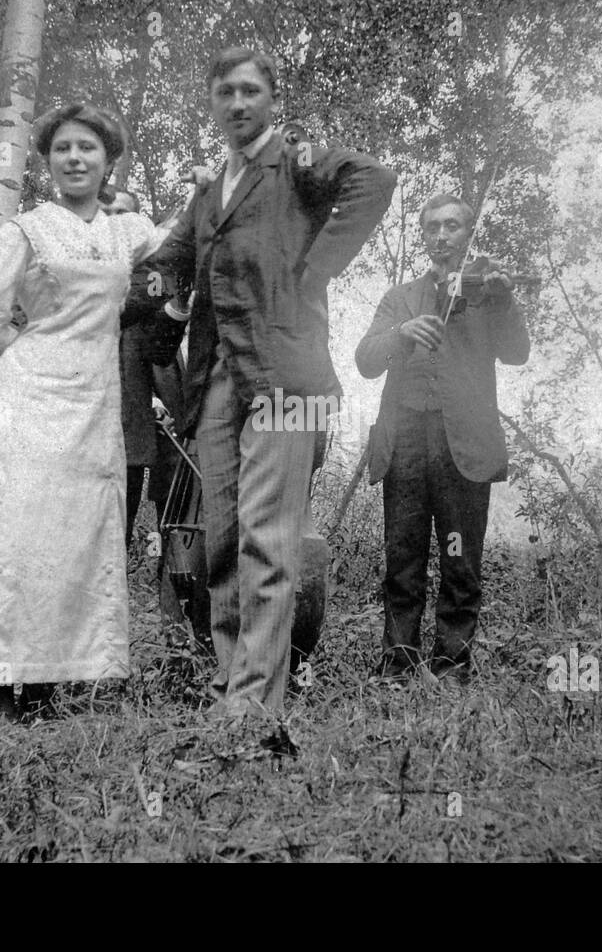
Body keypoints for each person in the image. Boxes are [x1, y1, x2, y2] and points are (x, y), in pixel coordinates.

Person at [145, 47, 396, 721]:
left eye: (250, 89)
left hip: (286, 376)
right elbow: (166, 266)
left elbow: (374, 178)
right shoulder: (206, 192)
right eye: (224, 90)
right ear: (212, 101)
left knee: (268, 536)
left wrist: (314, 270)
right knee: (221, 537)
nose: (237, 102)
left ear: (273, 98)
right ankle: (234, 687)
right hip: (216, 383)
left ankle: (256, 705)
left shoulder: (298, 162)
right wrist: (121, 272)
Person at [0, 104, 169, 719]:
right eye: (63, 149)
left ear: (109, 160)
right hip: (26, 403)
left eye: (88, 148)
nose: (75, 158)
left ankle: (47, 684)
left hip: (94, 405)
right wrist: (34, 365)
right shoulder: (24, 231)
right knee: (16, 537)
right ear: (47, 161)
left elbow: (183, 250)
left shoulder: (126, 230)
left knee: (71, 539)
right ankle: (0, 688)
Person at [354, 192, 529, 685]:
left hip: (463, 448)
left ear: (467, 233)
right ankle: (398, 668)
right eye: (432, 227)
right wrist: (403, 333)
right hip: (406, 445)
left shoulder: (487, 295)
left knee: (458, 562)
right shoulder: (400, 298)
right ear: (424, 236)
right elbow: (366, 360)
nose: (441, 236)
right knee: (403, 561)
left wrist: (504, 298)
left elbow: (517, 353)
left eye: (452, 226)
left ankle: (452, 669)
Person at [100, 185, 185, 552]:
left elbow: (159, 349)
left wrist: (164, 405)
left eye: (125, 215)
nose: (116, 222)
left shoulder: (152, 276)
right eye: (110, 214)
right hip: (80, 429)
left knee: (124, 528)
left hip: (132, 431)